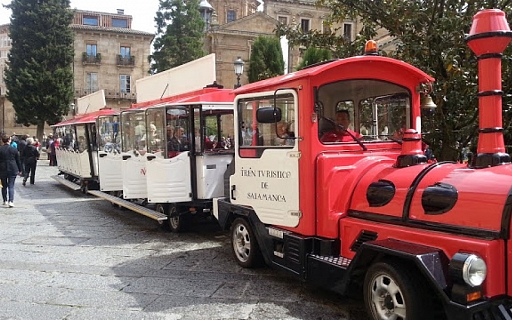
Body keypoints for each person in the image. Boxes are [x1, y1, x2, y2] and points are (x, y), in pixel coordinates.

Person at [0, 134, 22, 207]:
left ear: (2, 141)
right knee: (11, 185)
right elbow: (18, 160)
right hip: (12, 168)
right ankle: (11, 201)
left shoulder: (0, 149)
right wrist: (20, 169)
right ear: (9, 140)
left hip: (2, 169)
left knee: (4, 185)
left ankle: (5, 200)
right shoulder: (14, 149)